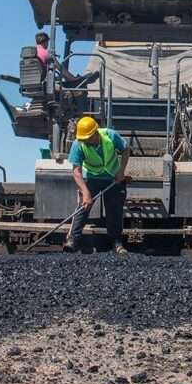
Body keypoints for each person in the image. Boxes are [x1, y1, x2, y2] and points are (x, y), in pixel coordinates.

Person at [65, 116, 130, 254]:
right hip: (92, 177)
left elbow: (125, 149)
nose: (85, 141)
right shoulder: (78, 144)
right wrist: (86, 193)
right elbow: (76, 171)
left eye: (87, 138)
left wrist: (121, 171)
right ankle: (72, 240)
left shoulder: (110, 135)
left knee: (114, 211)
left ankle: (116, 243)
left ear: (95, 132)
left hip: (112, 177)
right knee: (83, 207)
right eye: (83, 139)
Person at [35, 32, 100, 88]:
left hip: (33, 83)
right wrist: (73, 78)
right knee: (71, 89)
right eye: (47, 42)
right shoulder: (47, 54)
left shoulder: (32, 53)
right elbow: (60, 68)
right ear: (45, 41)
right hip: (46, 84)